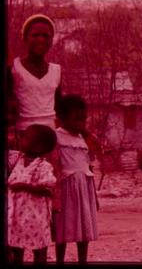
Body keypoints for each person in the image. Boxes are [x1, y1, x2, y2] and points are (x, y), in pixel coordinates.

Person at [52, 94, 99, 265]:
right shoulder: (56, 137)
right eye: (75, 120)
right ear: (62, 119)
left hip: (84, 187)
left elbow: (90, 161)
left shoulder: (83, 138)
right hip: (65, 188)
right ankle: (59, 260)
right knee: (63, 228)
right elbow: (54, 165)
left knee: (84, 227)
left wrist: (95, 195)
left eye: (83, 120)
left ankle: (82, 260)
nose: (80, 124)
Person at [7, 14, 62, 147]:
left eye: (46, 36)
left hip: (51, 138)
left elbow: (59, 106)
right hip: (24, 138)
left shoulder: (56, 70)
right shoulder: (14, 68)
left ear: (51, 41)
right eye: (35, 35)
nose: (41, 39)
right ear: (25, 38)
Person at [7, 124, 58, 265]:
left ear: (38, 147)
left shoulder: (43, 166)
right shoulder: (17, 160)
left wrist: (25, 186)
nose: (21, 138)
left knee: (39, 248)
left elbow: (48, 189)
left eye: (26, 137)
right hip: (17, 216)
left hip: (36, 217)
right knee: (17, 246)